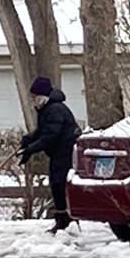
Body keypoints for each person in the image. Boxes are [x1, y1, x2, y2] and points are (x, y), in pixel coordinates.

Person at [19, 76, 82, 233]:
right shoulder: (48, 108)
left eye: (34, 96)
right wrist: (29, 139)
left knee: (59, 185)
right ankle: (64, 221)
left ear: (41, 96)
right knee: (57, 185)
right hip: (58, 154)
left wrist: (31, 149)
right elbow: (43, 130)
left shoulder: (55, 109)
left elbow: (50, 136)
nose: (32, 100)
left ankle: (66, 222)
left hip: (65, 154)